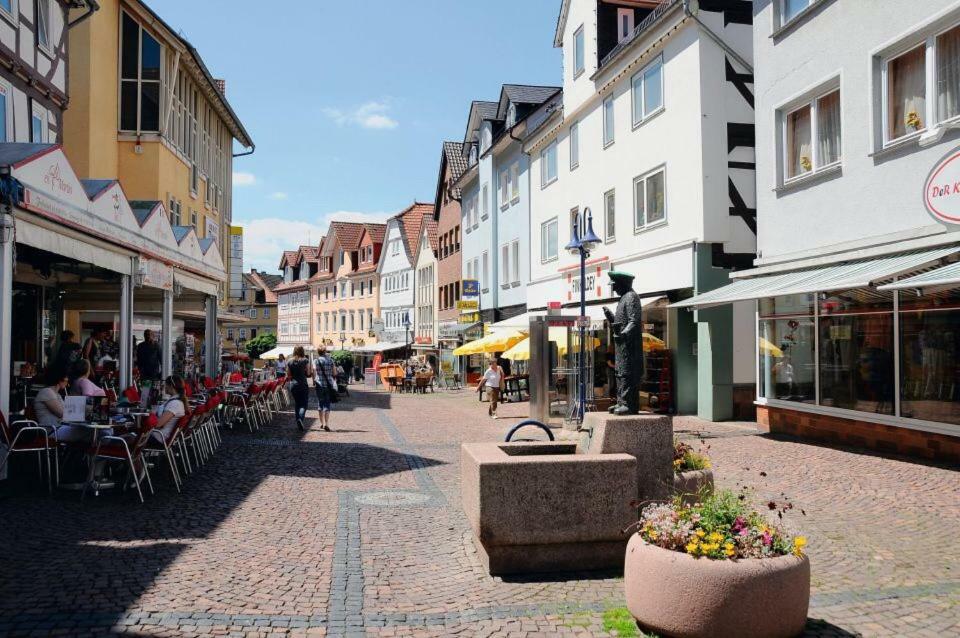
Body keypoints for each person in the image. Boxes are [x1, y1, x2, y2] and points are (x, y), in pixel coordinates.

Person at [285, 346, 313, 431]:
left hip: (293, 384)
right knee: (303, 404)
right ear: (302, 351)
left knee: (297, 403)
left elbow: (288, 374)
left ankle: (298, 420)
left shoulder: (289, 361)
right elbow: (308, 373)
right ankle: (300, 419)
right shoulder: (305, 360)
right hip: (302, 384)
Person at [154, 375, 188, 440]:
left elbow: (158, 424)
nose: (164, 387)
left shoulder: (175, 404)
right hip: (162, 435)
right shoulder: (177, 401)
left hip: (160, 436)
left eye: (166, 384)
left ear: (171, 386)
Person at [313, 347, 337, 432]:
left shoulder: (315, 361)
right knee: (327, 404)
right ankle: (327, 424)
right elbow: (335, 373)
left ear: (318, 352)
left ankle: (322, 423)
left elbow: (314, 372)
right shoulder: (330, 360)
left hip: (319, 384)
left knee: (320, 403)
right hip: (328, 385)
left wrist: (314, 381)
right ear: (325, 351)